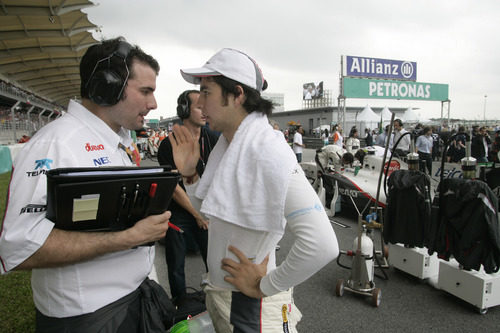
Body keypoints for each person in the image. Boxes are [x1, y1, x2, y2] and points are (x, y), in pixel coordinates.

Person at [0, 37, 174, 331]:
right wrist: (128, 238)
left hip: (129, 302)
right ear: (108, 86)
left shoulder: (113, 140)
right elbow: (20, 247)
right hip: (90, 318)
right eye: (146, 91)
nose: (153, 103)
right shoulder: (55, 144)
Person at [169, 48, 339, 332]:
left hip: (252, 305)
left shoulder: (268, 151)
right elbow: (211, 216)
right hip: (228, 296)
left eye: (206, 92)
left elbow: (322, 245)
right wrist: (190, 175)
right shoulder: (229, 147)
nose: (198, 103)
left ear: (237, 95)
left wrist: (266, 285)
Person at [157, 90, 218, 307]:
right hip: (180, 213)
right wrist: (196, 215)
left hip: (207, 213)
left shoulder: (213, 139)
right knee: (175, 266)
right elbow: (174, 188)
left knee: (215, 263)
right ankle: (179, 308)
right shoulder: (168, 144)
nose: (205, 111)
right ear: (184, 110)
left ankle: (218, 303)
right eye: (199, 107)